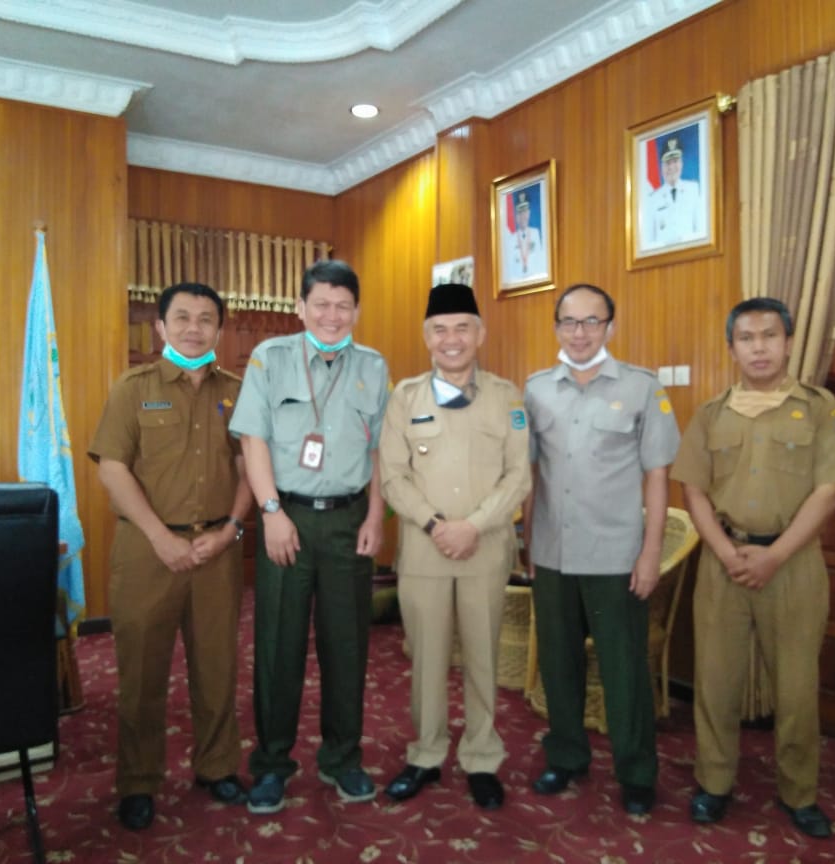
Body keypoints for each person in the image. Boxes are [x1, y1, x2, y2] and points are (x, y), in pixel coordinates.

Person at [670, 297, 835, 839]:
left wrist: (775, 555)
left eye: (770, 336)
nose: (759, 347)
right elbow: (694, 490)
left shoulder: (821, 407)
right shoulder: (710, 414)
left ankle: (799, 793)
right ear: (732, 347)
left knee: (798, 687)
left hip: (793, 565)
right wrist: (730, 554)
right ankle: (714, 785)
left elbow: (829, 493)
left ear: (787, 341)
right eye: (747, 338)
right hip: (722, 562)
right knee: (715, 681)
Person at [88, 282, 252, 831]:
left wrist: (231, 529)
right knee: (140, 672)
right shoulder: (133, 388)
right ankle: (138, 781)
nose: (193, 327)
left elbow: (251, 465)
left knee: (216, 666)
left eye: (206, 319)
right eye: (181, 317)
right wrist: (161, 536)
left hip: (216, 550)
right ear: (160, 327)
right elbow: (112, 467)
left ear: (218, 330)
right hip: (148, 549)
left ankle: (217, 766)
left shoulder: (236, 389)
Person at [228, 259, 389, 815]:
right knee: (279, 645)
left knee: (348, 646)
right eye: (320, 304)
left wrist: (375, 517)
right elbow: (253, 441)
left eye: (343, 306)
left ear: (356, 311)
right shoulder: (270, 360)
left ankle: (343, 759)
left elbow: (379, 452)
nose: (332, 315)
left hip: (349, 521)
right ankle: (273, 763)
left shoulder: (373, 365)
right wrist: (270, 512)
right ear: (300, 308)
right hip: (287, 521)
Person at [522, 283, 680, 816]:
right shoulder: (536, 389)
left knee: (623, 668)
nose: (580, 332)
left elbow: (658, 477)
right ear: (556, 326)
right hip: (551, 551)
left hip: (615, 556)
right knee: (558, 663)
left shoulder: (641, 388)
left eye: (592, 321)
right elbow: (528, 474)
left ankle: (636, 771)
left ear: (610, 326)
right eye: (569, 321)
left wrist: (650, 553)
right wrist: (526, 542)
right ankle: (566, 755)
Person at [378, 282, 532, 811]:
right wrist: (436, 524)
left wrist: (474, 526)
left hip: (484, 551)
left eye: (462, 327)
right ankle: (425, 754)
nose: (451, 339)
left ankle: (483, 757)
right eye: (440, 329)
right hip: (424, 552)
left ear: (480, 334)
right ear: (426, 337)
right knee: (426, 658)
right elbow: (393, 475)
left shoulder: (508, 397)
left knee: (484, 659)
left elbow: (519, 475)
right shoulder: (405, 398)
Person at [644, 137, 704, 248]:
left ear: (681, 163)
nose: (671, 167)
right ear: (661, 167)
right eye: (667, 163)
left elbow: (701, 231)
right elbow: (649, 241)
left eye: (675, 161)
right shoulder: (652, 199)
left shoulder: (693, 190)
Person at [503, 190, 547, 282]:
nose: (523, 216)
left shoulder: (536, 233)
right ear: (516, 216)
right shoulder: (511, 238)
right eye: (520, 213)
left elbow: (541, 262)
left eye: (525, 212)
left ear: (529, 213)